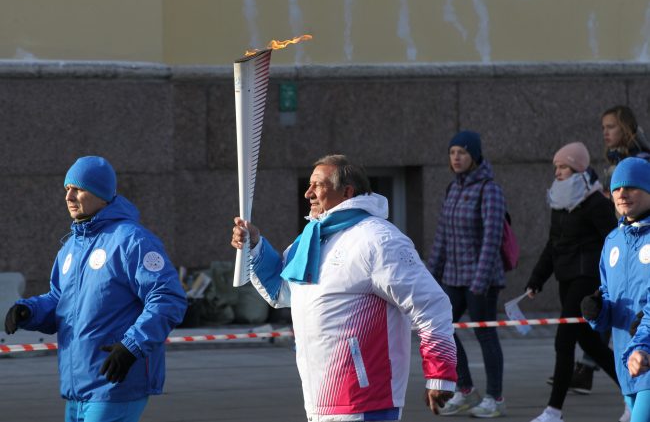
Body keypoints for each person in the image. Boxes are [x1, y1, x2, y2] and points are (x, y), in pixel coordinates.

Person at [231, 154, 457, 421]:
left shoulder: (378, 240)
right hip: (320, 397)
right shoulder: (312, 238)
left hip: (366, 401)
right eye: (309, 184)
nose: (308, 193)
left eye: (318, 185)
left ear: (347, 191)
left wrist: (440, 374)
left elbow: (431, 305)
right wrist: (255, 245)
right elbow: (282, 291)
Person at [4, 156, 187, 422]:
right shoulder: (70, 247)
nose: (69, 196)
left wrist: (131, 346)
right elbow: (60, 299)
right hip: (77, 388)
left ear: (102, 194)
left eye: (78, 189)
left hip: (116, 384)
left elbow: (167, 298)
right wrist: (29, 311)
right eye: (66, 189)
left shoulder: (132, 240)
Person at [525, 142, 619, 422]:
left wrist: (611, 280)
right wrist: (537, 279)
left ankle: (553, 411)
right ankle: (637, 394)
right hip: (566, 279)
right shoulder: (560, 203)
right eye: (556, 167)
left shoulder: (595, 204)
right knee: (593, 347)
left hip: (586, 280)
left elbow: (614, 241)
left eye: (563, 166)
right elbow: (553, 245)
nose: (558, 172)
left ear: (578, 168)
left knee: (563, 341)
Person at [427, 130, 507, 418]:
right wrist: (429, 276)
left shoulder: (489, 189)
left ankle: (495, 397)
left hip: (480, 280)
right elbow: (442, 238)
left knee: (485, 335)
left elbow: (492, 238)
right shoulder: (453, 189)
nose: (456, 157)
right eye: (452, 152)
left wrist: (480, 281)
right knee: (442, 328)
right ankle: (465, 389)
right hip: (453, 276)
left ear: (474, 155)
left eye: (462, 152)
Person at [582, 157, 650, 422]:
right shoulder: (613, 241)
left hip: (645, 356)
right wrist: (597, 312)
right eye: (617, 188)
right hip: (627, 362)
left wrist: (643, 346)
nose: (622, 193)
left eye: (631, 186)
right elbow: (609, 296)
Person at [601, 105, 650, 195]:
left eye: (610, 127)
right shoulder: (615, 159)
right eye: (603, 128)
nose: (605, 132)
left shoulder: (642, 161)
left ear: (625, 128)